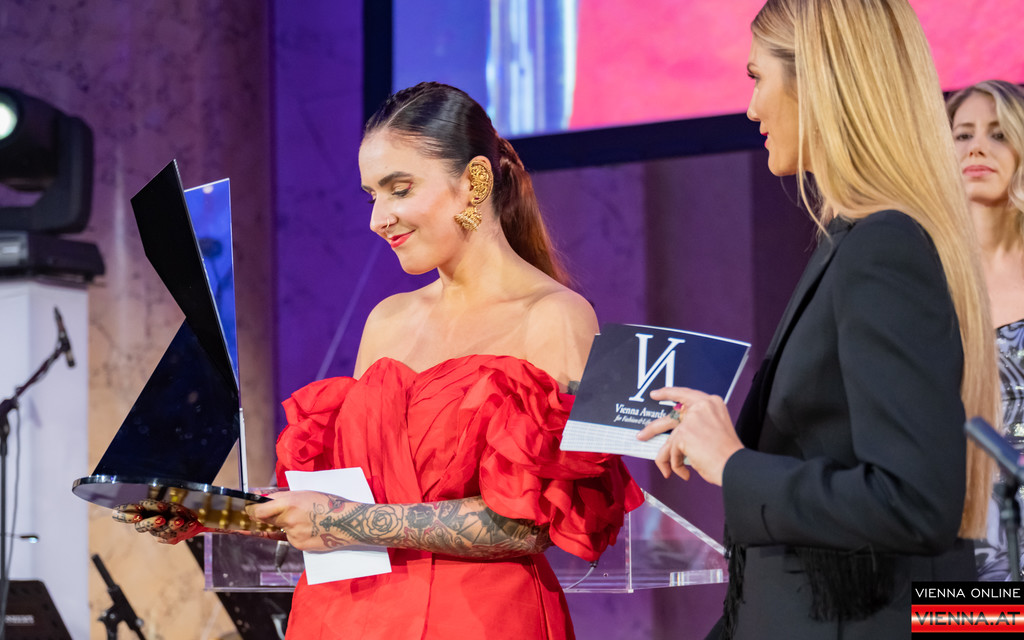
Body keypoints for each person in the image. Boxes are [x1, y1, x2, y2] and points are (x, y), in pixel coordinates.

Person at [114, 81, 642, 639]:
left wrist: (341, 519)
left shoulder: (557, 315)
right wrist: (214, 512)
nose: (378, 218)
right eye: (372, 196)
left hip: (477, 619)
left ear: (475, 182)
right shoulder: (387, 320)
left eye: (400, 189)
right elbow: (353, 503)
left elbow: (530, 526)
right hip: (346, 614)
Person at [637, 0, 999, 637]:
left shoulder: (883, 246)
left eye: (757, 78)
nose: (752, 108)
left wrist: (733, 464)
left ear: (820, 84)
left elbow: (915, 502)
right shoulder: (855, 240)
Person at [947, 80, 1024, 581]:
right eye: (963, 134)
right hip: (951, 525)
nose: (977, 147)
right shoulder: (916, 273)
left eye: (998, 134)